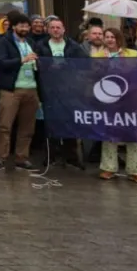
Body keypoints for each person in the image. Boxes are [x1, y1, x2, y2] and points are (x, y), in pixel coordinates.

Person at [0, 11, 40, 172]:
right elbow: (1, 62)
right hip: (11, 89)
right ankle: (1, 157)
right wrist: (21, 60)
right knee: (5, 126)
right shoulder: (3, 41)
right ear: (13, 27)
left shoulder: (31, 42)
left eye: (26, 26)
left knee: (27, 127)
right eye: (21, 26)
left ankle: (22, 157)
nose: (24, 28)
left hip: (31, 88)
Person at [33, 17, 86, 168]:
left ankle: (71, 156)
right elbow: (35, 65)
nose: (55, 30)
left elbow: (84, 63)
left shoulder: (73, 46)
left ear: (63, 29)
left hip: (69, 89)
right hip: (49, 89)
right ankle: (51, 155)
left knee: (70, 122)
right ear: (48, 30)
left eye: (58, 27)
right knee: (51, 123)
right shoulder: (41, 45)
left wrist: (66, 66)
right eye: (52, 27)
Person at [96, 28, 137, 183]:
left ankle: (136, 170)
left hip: (130, 99)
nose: (110, 39)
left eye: (113, 37)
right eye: (107, 37)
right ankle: (108, 168)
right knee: (109, 133)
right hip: (108, 99)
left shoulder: (132, 54)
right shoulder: (98, 56)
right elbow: (92, 75)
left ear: (119, 39)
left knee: (132, 133)